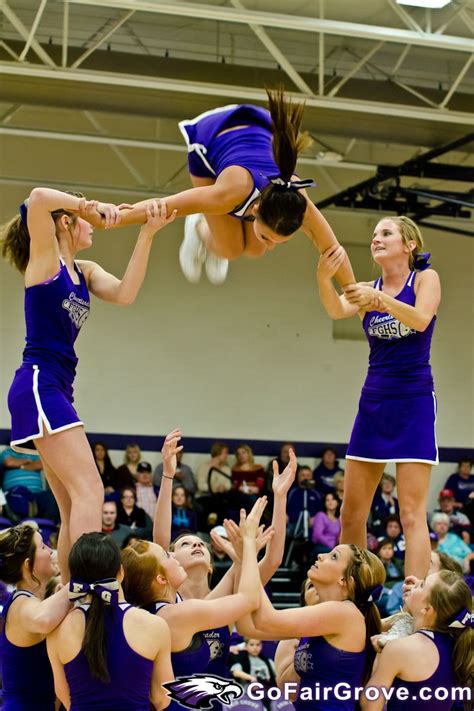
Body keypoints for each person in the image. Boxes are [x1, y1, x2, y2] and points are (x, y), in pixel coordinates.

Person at [1, 189, 176, 578]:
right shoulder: (45, 260)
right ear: (65, 222)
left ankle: (66, 591)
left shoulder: (87, 271)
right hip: (38, 382)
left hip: (59, 388)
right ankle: (87, 587)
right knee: (91, 492)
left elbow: (126, 293)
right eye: (79, 215)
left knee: (71, 506)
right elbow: (37, 197)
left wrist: (147, 234)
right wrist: (88, 206)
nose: (91, 224)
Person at [109, 90, 355, 287]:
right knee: (231, 248)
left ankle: (214, 232)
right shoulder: (228, 192)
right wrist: (114, 217)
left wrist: (356, 294)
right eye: (271, 238)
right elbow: (163, 206)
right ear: (256, 209)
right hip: (212, 137)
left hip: (260, 127)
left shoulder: (297, 202)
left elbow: (333, 249)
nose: (272, 246)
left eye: (278, 242)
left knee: (256, 250)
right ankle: (198, 226)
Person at [317, 216, 441, 580]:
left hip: (413, 398)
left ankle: (412, 605)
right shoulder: (367, 288)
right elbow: (336, 310)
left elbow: (420, 319)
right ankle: (354, 594)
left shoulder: (424, 278)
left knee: (411, 515)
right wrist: (324, 278)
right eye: (374, 235)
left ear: (409, 244)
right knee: (352, 514)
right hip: (374, 399)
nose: (376, 239)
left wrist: (380, 299)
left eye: (386, 233)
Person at [121, 498, 265, 710]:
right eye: (167, 555)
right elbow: (250, 599)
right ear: (161, 579)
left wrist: (241, 559)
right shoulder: (180, 614)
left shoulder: (149, 611)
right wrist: (250, 545)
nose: (172, 554)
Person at [236, 543, 386, 710]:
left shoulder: (344, 613)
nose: (321, 555)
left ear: (344, 581)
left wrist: (248, 553)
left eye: (333, 556)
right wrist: (241, 562)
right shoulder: (324, 619)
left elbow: (265, 620)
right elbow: (248, 627)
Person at [46, 532, 172, 710]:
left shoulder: (58, 629)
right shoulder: (154, 625)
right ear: (121, 572)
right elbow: (162, 698)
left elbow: (64, 696)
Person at [361, 570, 473, 710]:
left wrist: (380, 655)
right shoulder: (457, 644)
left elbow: (370, 706)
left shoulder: (399, 648)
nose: (415, 583)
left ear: (427, 609)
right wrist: (418, 593)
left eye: (422, 584)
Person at [0, 524, 71, 710]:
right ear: (27, 565)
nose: (50, 551)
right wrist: (79, 583)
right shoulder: (21, 602)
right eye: (43, 546)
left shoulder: (30, 601)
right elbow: (43, 620)